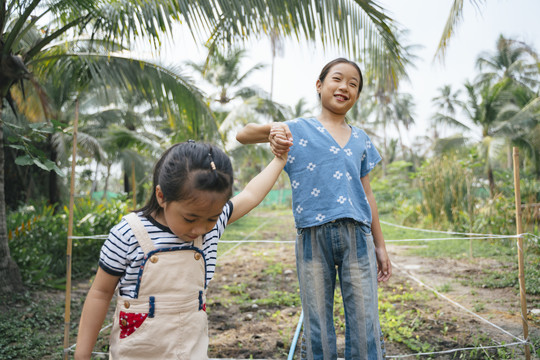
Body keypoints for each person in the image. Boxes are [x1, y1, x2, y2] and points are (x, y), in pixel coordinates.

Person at [236, 58, 391, 360]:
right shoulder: (297, 129)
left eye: (353, 84)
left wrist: (381, 247)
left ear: (357, 96)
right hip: (311, 236)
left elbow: (368, 194)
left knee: (365, 321)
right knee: (317, 323)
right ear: (319, 86)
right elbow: (243, 134)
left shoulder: (361, 139)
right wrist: (274, 133)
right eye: (337, 79)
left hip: (358, 237)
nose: (344, 86)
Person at [74, 140, 286, 360]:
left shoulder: (211, 227)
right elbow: (100, 293)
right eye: (190, 218)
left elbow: (251, 194)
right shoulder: (129, 233)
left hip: (191, 351)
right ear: (161, 196)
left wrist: (280, 158)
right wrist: (82, 355)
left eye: (212, 218)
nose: (200, 229)